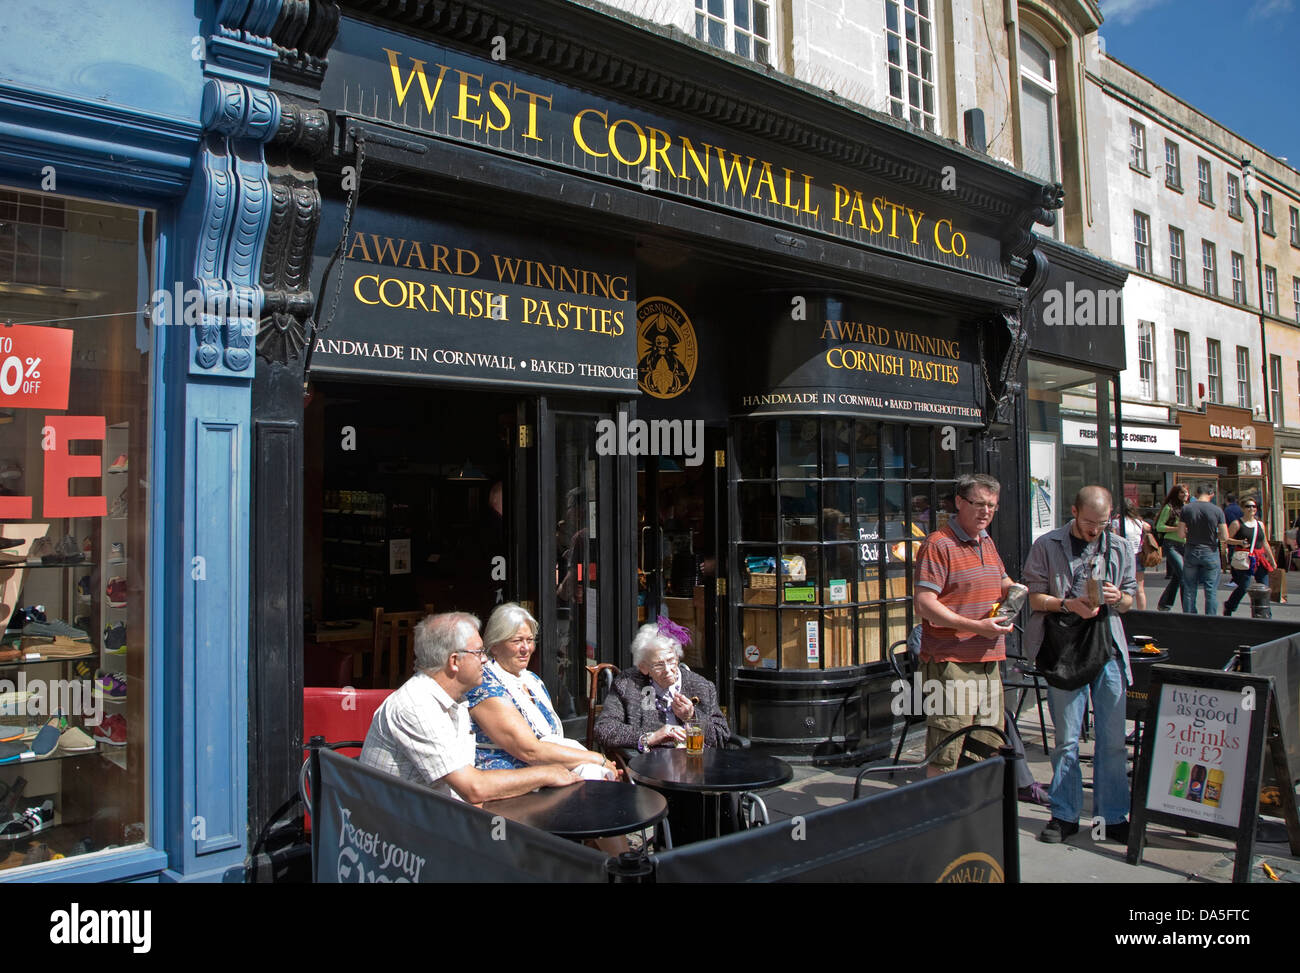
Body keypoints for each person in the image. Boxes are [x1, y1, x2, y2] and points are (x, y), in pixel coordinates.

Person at [359, 612, 579, 803]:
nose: (485, 660)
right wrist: (547, 774)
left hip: (436, 819)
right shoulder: (416, 705)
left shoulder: (458, 699)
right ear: (454, 661)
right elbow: (474, 788)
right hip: (398, 834)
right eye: (479, 652)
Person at [1023, 486, 1137, 844]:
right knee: (1067, 740)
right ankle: (1065, 814)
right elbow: (1034, 598)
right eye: (1089, 522)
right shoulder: (1048, 545)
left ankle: (1112, 817)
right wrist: (1067, 604)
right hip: (1065, 649)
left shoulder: (1118, 545)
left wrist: (1121, 598)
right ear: (1074, 511)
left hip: (1107, 648)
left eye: (1102, 523)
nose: (1095, 531)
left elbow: (1133, 596)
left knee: (1113, 740)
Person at [912, 473, 1016, 776]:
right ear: (959, 502)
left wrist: (1016, 591)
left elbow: (1002, 580)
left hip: (989, 658)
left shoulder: (986, 540)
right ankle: (942, 814)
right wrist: (975, 626)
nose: (986, 511)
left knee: (986, 743)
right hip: (951, 660)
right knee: (947, 747)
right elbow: (925, 604)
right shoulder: (938, 544)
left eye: (992, 506)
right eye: (979, 504)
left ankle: (972, 812)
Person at [465, 603, 617, 778]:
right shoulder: (484, 684)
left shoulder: (532, 680)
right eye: (516, 641)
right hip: (509, 786)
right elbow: (530, 751)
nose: (526, 648)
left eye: (529, 640)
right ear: (494, 645)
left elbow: (549, 742)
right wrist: (597, 759)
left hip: (547, 777)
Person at [593, 618, 729, 752]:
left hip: (696, 763)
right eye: (658, 664)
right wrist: (652, 737)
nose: (668, 670)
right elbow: (604, 729)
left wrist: (692, 716)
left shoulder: (702, 686)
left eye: (671, 660)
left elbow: (721, 736)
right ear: (643, 667)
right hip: (650, 766)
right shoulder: (628, 684)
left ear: (677, 655)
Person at [1178, 486, 1229, 615]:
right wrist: (1213, 535)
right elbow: (1225, 536)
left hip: (1192, 550)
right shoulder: (1217, 510)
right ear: (1211, 494)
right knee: (1211, 589)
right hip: (1210, 551)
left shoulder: (1187, 509)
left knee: (1189, 588)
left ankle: (1190, 617)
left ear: (1196, 493)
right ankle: (1210, 619)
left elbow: (1180, 534)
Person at [1223, 498, 1275, 616]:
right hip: (1244, 557)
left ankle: (1265, 612)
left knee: (1264, 587)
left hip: (1260, 557)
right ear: (1242, 508)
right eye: (1248, 506)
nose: (1251, 508)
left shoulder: (1260, 524)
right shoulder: (1237, 523)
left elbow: (1265, 542)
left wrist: (1272, 559)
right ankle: (1229, 606)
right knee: (1244, 586)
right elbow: (1226, 540)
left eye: (1254, 506)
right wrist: (1239, 542)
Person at [1152, 484, 1189, 611]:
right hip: (1171, 545)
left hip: (1185, 545)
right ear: (1176, 494)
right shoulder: (1169, 508)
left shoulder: (1188, 508)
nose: (1185, 495)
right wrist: (1177, 528)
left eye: (1186, 493)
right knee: (1184, 575)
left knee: (1177, 577)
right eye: (1182, 493)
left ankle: (1164, 604)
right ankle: (1187, 609)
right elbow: (1159, 527)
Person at [1111, 498, 1150, 611]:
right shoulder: (1138, 522)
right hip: (1137, 554)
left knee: (1124, 587)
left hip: (1123, 556)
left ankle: (1127, 609)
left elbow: (1114, 538)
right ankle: (1142, 612)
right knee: (1140, 588)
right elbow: (1148, 527)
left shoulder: (1117, 522)